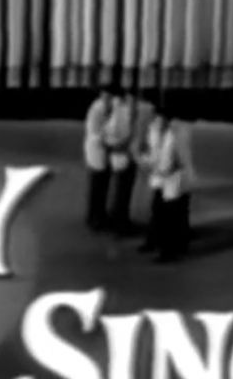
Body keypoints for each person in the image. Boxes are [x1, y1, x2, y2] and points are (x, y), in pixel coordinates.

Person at [137, 107, 197, 262]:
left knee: (172, 216)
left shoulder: (177, 135)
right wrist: (146, 162)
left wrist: (161, 168)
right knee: (158, 211)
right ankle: (155, 242)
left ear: (167, 121)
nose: (157, 123)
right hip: (162, 177)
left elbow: (180, 161)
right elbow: (152, 152)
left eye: (160, 120)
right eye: (155, 120)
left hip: (177, 180)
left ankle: (170, 251)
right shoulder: (154, 131)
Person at [83, 84, 117, 231]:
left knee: (104, 185)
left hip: (106, 151)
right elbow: (94, 132)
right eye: (105, 96)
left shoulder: (112, 108)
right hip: (96, 150)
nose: (107, 99)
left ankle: (101, 214)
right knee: (96, 186)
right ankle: (93, 217)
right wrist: (108, 139)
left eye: (109, 97)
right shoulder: (96, 109)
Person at [104, 90, 136, 234]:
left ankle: (117, 219)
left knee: (118, 188)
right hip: (123, 155)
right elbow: (125, 135)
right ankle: (120, 223)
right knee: (122, 190)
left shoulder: (114, 115)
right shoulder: (122, 114)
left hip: (117, 154)